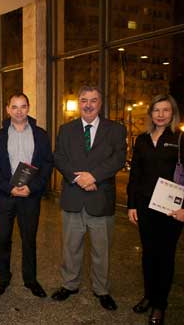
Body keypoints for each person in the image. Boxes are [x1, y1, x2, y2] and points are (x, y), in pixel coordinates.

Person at [127, 94, 184, 324]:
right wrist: (131, 204)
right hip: (146, 207)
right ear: (151, 114)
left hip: (171, 210)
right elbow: (135, 175)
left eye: (165, 110)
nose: (160, 114)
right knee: (148, 254)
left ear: (173, 113)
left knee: (165, 256)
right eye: (156, 110)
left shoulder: (182, 139)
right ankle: (149, 296)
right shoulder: (142, 139)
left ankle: (160, 305)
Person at [52, 85, 127, 311]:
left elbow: (118, 159)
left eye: (93, 100)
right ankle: (69, 284)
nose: (88, 105)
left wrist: (93, 176)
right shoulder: (66, 130)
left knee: (101, 250)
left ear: (100, 104)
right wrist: (79, 179)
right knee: (70, 247)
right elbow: (60, 158)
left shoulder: (115, 130)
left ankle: (102, 289)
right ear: (78, 102)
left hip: (100, 199)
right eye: (84, 100)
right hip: (73, 198)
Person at [0, 93, 53, 298]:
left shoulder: (40, 135)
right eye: (14, 107)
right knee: (3, 239)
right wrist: (8, 188)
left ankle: (30, 279)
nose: (19, 111)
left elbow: (46, 165)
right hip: (5, 196)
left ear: (28, 108)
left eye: (23, 106)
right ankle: (3, 278)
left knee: (29, 239)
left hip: (30, 196)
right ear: (8, 109)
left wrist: (33, 188)